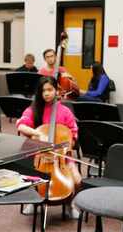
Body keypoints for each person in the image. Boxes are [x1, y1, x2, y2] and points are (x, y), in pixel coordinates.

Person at [16, 76, 80, 217]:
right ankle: (33, 201)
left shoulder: (65, 112)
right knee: (29, 175)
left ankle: (70, 203)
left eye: (50, 89)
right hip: (38, 155)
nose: (46, 93)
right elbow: (21, 125)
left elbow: (73, 135)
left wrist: (65, 145)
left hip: (61, 156)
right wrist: (37, 134)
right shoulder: (34, 109)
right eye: (43, 90)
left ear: (56, 90)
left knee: (77, 180)